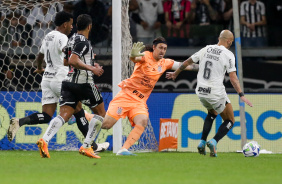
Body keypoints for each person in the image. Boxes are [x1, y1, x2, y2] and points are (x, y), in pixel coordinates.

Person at [7, 12, 108, 155]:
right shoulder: (63, 38)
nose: (72, 27)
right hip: (60, 78)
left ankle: (20, 122)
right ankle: (92, 146)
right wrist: (88, 60)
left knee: (47, 115)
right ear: (65, 24)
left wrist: (39, 67)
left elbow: (40, 55)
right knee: (78, 111)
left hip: (46, 79)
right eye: (71, 24)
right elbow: (70, 56)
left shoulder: (48, 36)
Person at [93, 37, 198, 156]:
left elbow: (184, 65)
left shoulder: (165, 63)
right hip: (127, 95)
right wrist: (132, 55)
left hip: (140, 101)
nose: (162, 51)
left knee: (142, 121)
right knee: (106, 124)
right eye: (160, 48)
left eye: (165, 49)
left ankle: (123, 150)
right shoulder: (146, 55)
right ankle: (81, 115)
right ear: (154, 47)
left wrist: (203, 68)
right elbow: (135, 58)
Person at [166, 30, 253, 157]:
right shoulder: (228, 54)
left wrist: (175, 73)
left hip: (200, 90)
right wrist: (241, 95)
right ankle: (214, 141)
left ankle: (202, 142)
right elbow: (233, 78)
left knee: (212, 113)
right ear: (229, 41)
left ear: (219, 38)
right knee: (230, 120)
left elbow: (187, 62)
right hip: (215, 92)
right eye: (231, 42)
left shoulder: (206, 49)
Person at [36, 14, 106, 159]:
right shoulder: (84, 42)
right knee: (100, 113)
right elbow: (73, 61)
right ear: (89, 26)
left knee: (64, 115)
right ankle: (87, 146)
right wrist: (92, 69)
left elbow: (66, 61)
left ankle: (45, 139)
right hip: (84, 83)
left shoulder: (72, 39)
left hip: (68, 83)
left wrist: (90, 64)